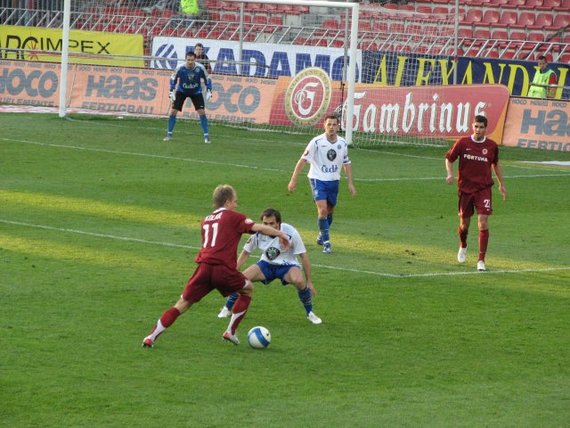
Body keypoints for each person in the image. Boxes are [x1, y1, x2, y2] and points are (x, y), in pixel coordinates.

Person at [142, 184, 291, 348]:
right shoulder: (233, 217)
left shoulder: (206, 220)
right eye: (235, 201)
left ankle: (151, 336)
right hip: (223, 268)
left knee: (182, 303)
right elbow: (259, 228)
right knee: (248, 289)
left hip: (204, 267)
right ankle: (231, 331)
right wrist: (281, 234)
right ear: (227, 202)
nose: (236, 205)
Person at [217, 208, 322, 325]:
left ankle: (310, 313)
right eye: (265, 223)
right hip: (266, 265)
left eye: (272, 223)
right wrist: (234, 271)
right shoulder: (257, 233)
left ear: (278, 223)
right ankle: (227, 309)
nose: (268, 226)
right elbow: (245, 252)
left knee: (298, 280)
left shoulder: (291, 232)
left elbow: (303, 255)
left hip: (287, 265)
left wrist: (310, 282)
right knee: (241, 279)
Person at [445, 115, 507, 272]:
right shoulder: (462, 143)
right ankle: (463, 245)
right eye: (476, 126)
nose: (478, 130)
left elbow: (496, 164)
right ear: (472, 126)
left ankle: (481, 260)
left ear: (486, 128)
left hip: (483, 189)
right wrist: (450, 174)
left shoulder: (491, 146)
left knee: (483, 221)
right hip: (465, 189)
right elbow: (449, 158)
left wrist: (501, 184)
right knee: (464, 225)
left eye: (481, 127)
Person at [287, 114, 356, 254]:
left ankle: (321, 236)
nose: (331, 127)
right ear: (324, 125)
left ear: (338, 126)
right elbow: (303, 160)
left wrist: (350, 183)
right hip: (317, 179)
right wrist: (294, 179)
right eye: (329, 124)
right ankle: (327, 243)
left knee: (330, 211)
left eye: (334, 125)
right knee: (323, 210)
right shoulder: (316, 142)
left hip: (334, 180)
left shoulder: (342, 143)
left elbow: (346, 163)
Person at [164, 51, 212, 143]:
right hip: (182, 91)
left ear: (195, 60)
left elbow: (207, 78)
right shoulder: (180, 68)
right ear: (186, 59)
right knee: (173, 111)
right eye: (188, 60)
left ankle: (206, 136)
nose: (190, 62)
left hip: (196, 92)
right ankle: (169, 135)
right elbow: (173, 78)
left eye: (192, 60)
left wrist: (209, 90)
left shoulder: (200, 68)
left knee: (202, 112)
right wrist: (172, 90)